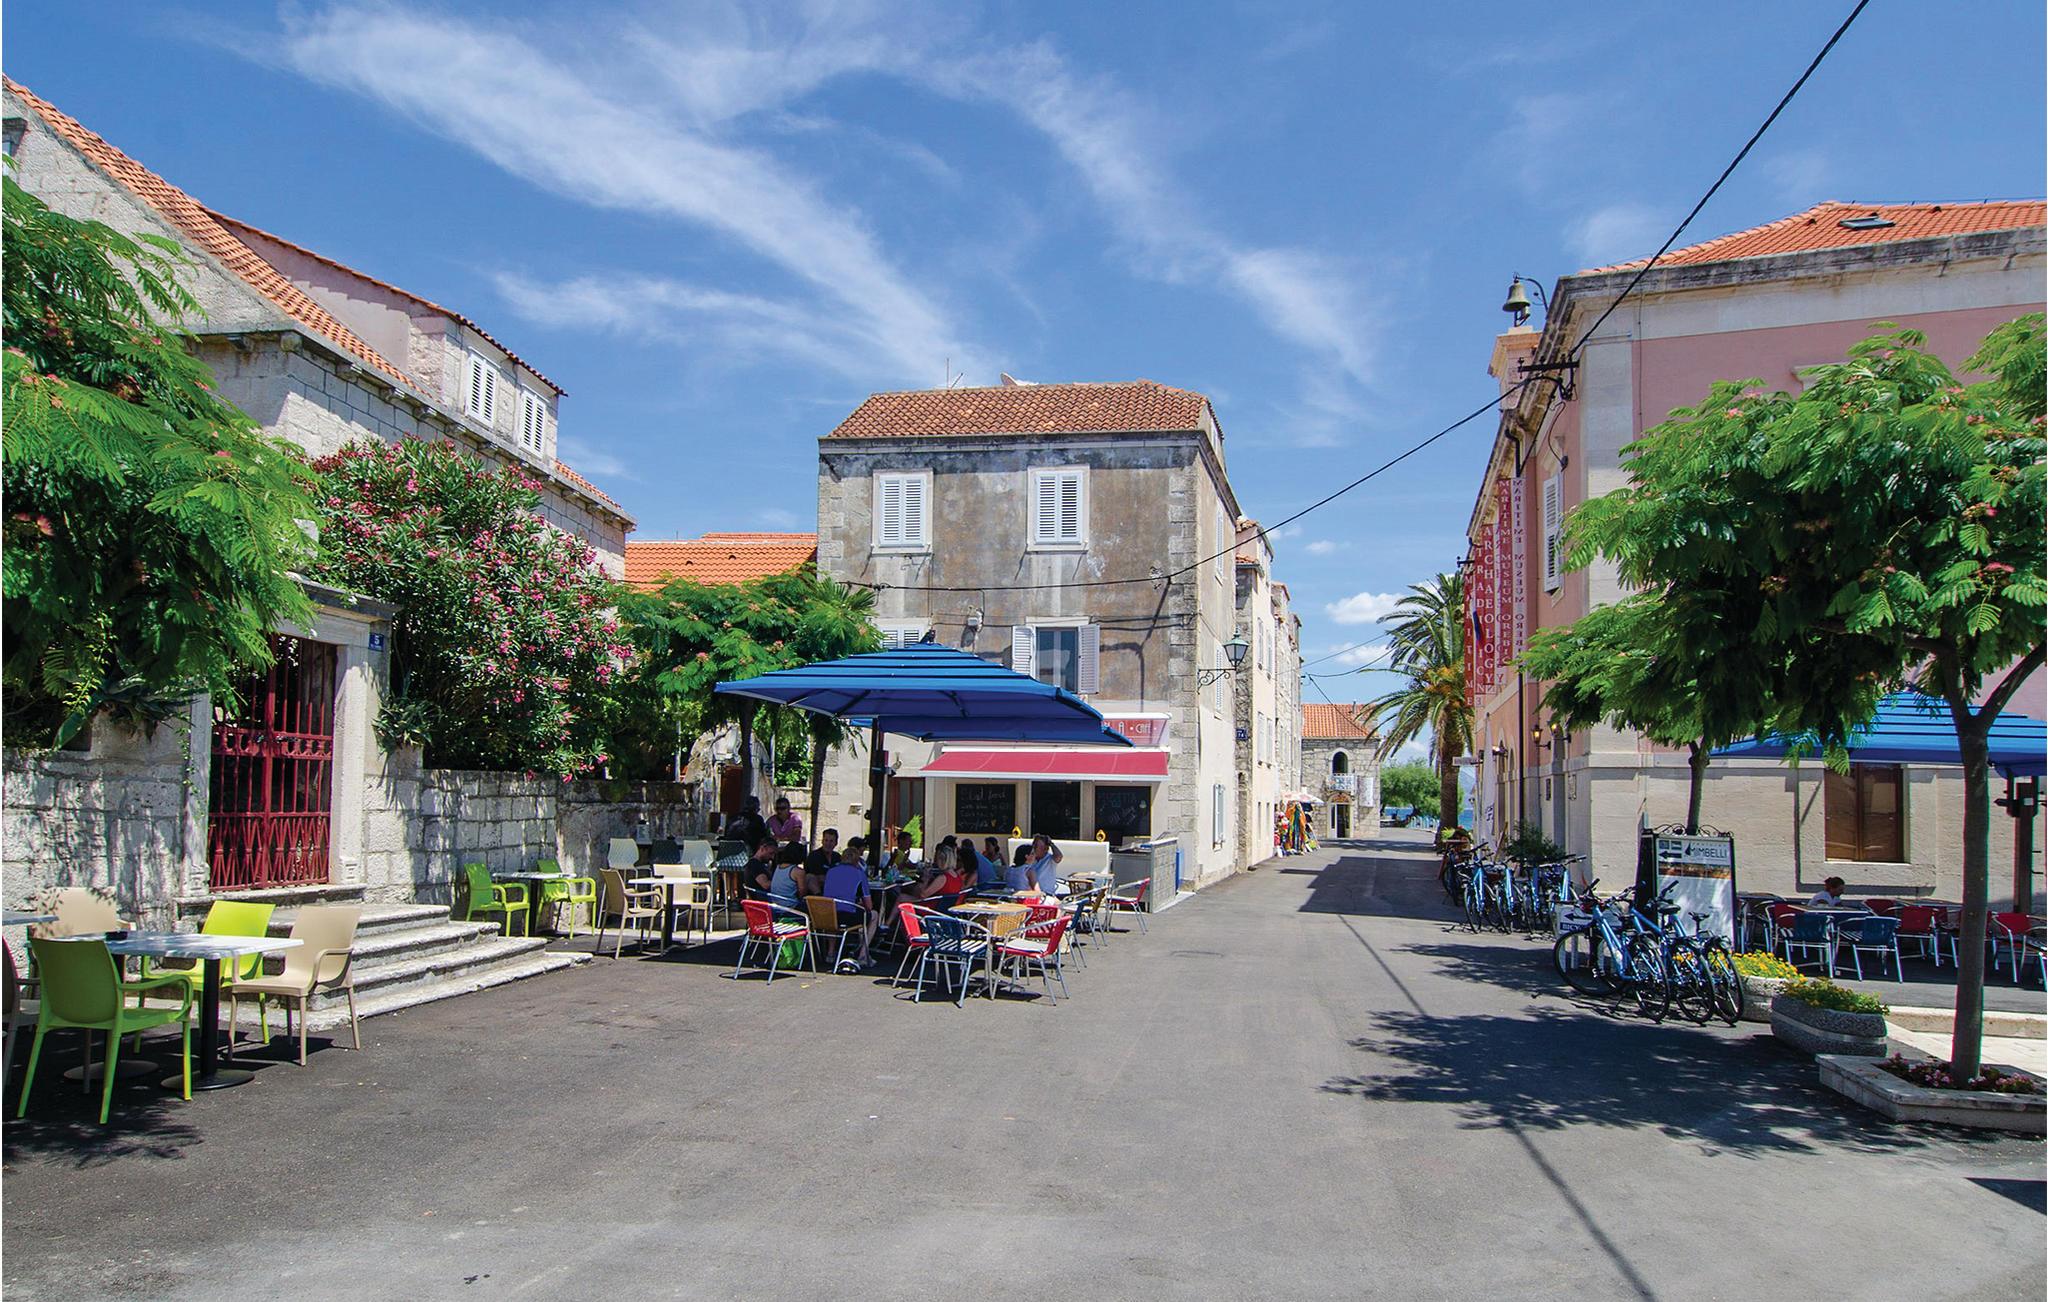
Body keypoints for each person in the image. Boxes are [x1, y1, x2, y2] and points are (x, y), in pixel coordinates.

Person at [821, 846, 879, 969]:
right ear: (857, 861)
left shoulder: (830, 872)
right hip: (848, 915)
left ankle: (831, 952)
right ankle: (863, 955)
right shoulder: (859, 874)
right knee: (874, 915)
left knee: (833, 914)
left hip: (828, 914)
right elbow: (869, 906)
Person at [767, 843, 806, 912]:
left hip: (776, 906)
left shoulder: (778, 867)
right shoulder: (798, 871)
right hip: (790, 906)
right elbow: (802, 891)